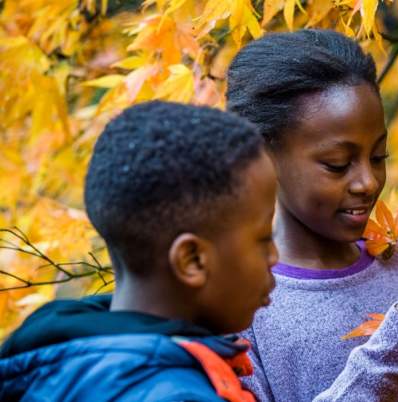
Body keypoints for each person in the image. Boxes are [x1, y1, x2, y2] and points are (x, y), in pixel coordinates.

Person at [227, 29, 398, 401]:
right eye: (337, 165)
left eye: (378, 157)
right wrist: (383, 364)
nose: (368, 182)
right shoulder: (239, 310)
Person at [0, 101, 278, 402]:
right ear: (193, 260)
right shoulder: (176, 396)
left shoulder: (58, 366)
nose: (274, 257)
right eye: (263, 239)